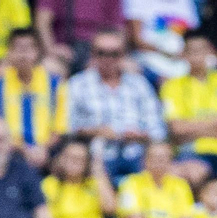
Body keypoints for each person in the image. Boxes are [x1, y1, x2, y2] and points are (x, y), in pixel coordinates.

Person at [67, 29, 166, 182]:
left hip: (137, 154)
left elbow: (157, 128)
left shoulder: (139, 84)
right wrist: (95, 131)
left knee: (160, 158)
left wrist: (141, 135)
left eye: (114, 54)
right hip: (95, 155)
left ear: (123, 55)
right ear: (92, 54)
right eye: (101, 53)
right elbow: (66, 126)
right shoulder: (77, 84)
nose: (108, 59)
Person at [162, 31, 217, 187]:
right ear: (184, 54)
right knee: (194, 173)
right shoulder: (172, 86)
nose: (197, 55)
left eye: (201, 50)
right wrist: (216, 123)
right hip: (191, 152)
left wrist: (193, 127)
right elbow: (177, 129)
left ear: (210, 52)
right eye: (192, 51)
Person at [0, 29, 68, 171]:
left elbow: (60, 128)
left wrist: (42, 148)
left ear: (38, 52)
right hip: (10, 152)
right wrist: (23, 149)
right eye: (18, 49)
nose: (23, 55)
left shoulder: (55, 84)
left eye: (28, 48)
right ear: (9, 52)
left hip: (48, 152)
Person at [117, 138, 193, 218]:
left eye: (164, 158)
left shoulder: (181, 185)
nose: (159, 161)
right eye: (155, 157)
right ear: (145, 160)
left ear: (170, 161)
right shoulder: (130, 183)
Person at [43, 135, 112, 218]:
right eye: (71, 157)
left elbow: (110, 208)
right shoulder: (50, 185)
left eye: (80, 159)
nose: (75, 162)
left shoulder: (93, 184)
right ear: (61, 159)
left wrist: (98, 171)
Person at [34, 0, 124, 71]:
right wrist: (52, 49)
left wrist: (103, 56)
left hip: (98, 51)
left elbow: (118, 29)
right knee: (49, 67)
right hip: (63, 50)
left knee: (126, 67)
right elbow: (42, 22)